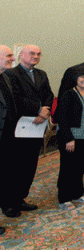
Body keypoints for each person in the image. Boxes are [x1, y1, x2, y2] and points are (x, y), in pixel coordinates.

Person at [4, 45, 54, 217]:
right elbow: (15, 97)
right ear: (21, 55)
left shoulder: (42, 74)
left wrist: (46, 110)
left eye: (38, 54)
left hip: (36, 128)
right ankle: (8, 203)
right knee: (13, 167)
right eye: (31, 53)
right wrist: (37, 110)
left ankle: (20, 198)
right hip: (18, 128)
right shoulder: (10, 74)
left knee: (29, 165)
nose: (35, 56)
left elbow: (49, 94)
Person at [55, 65, 84, 210]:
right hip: (70, 138)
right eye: (82, 77)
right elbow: (62, 118)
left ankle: (77, 193)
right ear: (76, 78)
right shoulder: (68, 94)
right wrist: (68, 139)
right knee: (68, 167)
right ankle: (64, 198)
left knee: (80, 166)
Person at [0, 45, 17, 232]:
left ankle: (5, 203)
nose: (13, 58)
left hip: (6, 135)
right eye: (9, 55)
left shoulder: (6, 77)